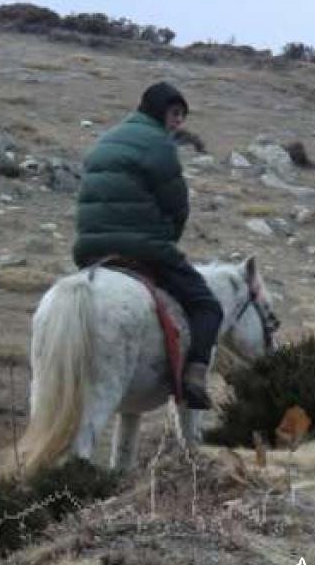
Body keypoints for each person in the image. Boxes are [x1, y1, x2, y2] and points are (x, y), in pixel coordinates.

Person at [73, 82, 222, 409]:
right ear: (157, 111)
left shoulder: (107, 138)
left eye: (182, 115)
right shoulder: (159, 145)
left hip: (90, 250)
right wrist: (167, 240)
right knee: (207, 305)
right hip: (142, 248)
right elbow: (177, 205)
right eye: (174, 113)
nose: (178, 122)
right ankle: (194, 379)